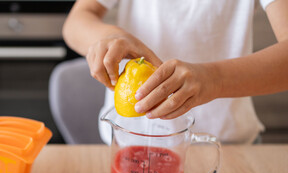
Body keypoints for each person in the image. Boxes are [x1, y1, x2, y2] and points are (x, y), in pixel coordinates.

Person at [63, 0, 288, 144]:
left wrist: (214, 80)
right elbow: (78, 19)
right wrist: (105, 37)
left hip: (224, 146)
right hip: (129, 140)